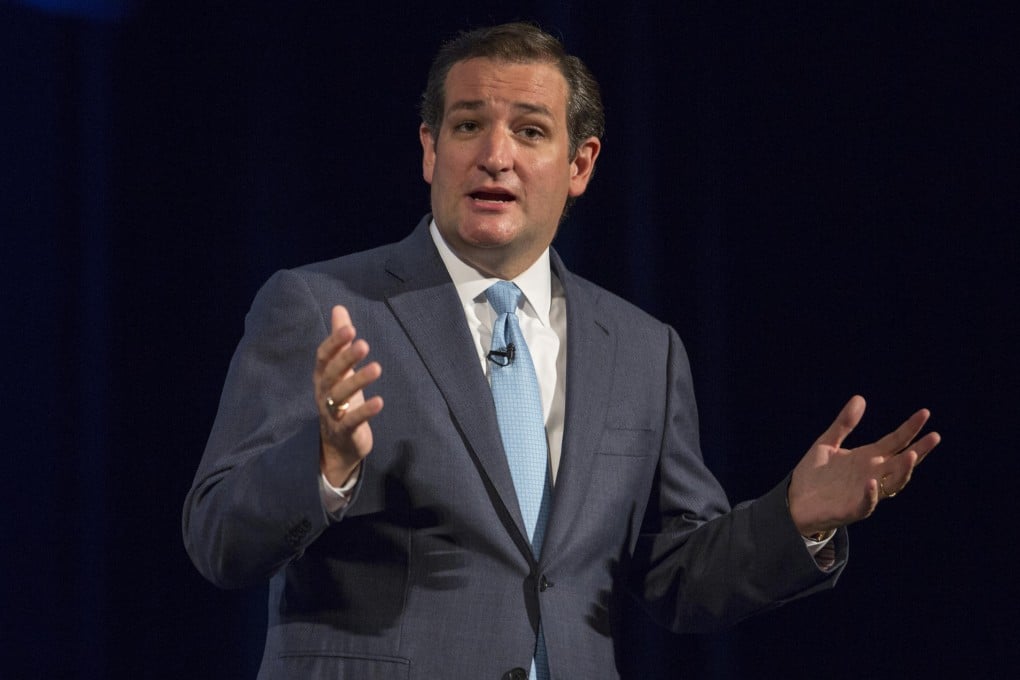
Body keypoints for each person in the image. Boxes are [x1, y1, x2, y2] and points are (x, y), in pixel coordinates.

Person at [183, 22, 940, 680]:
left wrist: (794, 516)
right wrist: (325, 464)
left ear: (580, 165)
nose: (495, 156)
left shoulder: (644, 350)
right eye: (468, 125)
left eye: (531, 131)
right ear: (428, 149)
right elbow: (218, 538)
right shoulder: (324, 307)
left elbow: (675, 577)